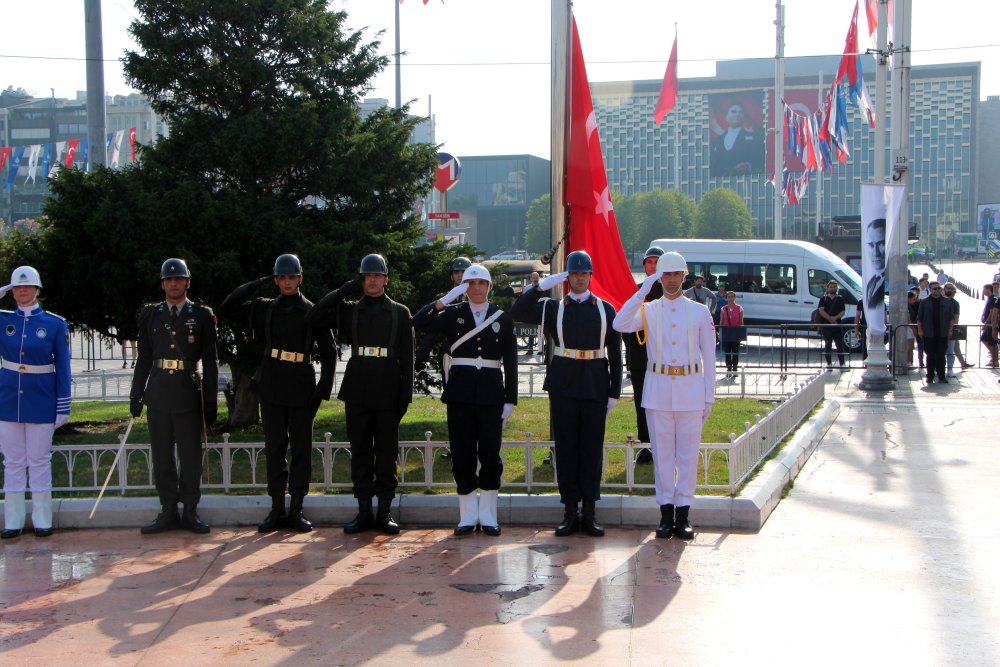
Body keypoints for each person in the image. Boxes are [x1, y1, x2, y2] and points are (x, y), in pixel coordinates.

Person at [217, 254, 336, 533]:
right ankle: (276, 509)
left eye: (291, 277)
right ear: (276, 280)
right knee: (274, 449)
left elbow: (329, 353)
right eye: (281, 277)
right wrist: (257, 283)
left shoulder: (312, 310)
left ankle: (296, 509)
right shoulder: (265, 308)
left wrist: (322, 392)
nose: (286, 282)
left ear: (300, 279)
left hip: (301, 387)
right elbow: (227, 308)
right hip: (271, 383)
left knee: (301, 450)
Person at [510, 250, 622, 537]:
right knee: (567, 448)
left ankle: (590, 512)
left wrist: (615, 391)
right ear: (567, 277)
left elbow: (615, 354)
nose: (579, 278)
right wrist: (541, 286)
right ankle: (570, 511)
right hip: (564, 385)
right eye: (574, 274)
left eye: (584, 274)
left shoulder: (606, 310)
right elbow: (518, 310)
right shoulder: (553, 308)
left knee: (591, 451)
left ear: (590, 276)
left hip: (596, 384)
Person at [306, 254, 413, 535]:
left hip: (389, 386)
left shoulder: (400, 312)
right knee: (361, 452)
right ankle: (364, 510)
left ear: (386, 279)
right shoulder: (350, 310)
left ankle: (385, 511)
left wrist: (405, 396)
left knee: (387, 452)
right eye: (367, 276)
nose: (373, 280)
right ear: (361, 280)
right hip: (358, 387)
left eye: (378, 275)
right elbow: (314, 315)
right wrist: (343, 291)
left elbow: (408, 358)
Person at [613, 251, 716, 541]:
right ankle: (665, 514)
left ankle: (683, 514)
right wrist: (643, 290)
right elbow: (620, 323)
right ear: (660, 277)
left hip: (691, 391)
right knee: (663, 457)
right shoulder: (649, 310)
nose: (671, 280)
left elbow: (709, 356)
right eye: (666, 275)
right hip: (658, 392)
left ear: (684, 276)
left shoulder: (699, 312)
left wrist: (709, 396)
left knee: (687, 456)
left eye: (676, 274)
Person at [411, 264, 517, 536]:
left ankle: (489, 515)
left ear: (489, 286)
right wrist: (445, 299)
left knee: (490, 455)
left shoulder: (501, 318)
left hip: (492, 395)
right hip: (460, 395)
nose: (477, 288)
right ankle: (468, 515)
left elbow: (511, 362)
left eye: (482, 283)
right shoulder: (452, 314)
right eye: (471, 283)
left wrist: (510, 400)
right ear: (464, 287)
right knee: (463, 454)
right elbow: (418, 321)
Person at [131, 258, 219, 534]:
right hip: (157, 393)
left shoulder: (202, 315)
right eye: (168, 280)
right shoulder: (152, 314)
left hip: (187, 392)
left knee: (191, 456)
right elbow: (144, 357)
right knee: (162, 456)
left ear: (187, 283)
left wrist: (210, 400)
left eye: (178, 279)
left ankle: (190, 511)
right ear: (162, 284)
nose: (173, 283)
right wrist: (136, 393)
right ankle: (168, 510)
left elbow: (211, 361)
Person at [0, 267, 71, 539]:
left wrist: (63, 404)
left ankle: (42, 519)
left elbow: (63, 369)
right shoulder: (3, 320)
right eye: (17, 287)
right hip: (7, 400)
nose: (23, 291)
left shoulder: (55, 324)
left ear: (38, 289)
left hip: (42, 399)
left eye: (28, 286)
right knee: (13, 462)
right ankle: (13, 521)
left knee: (39, 461)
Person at [415, 256, 470, 462]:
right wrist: (421, 355)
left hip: (474, 358)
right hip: (450, 356)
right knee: (453, 403)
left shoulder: (478, 296)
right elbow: (431, 331)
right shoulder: (445, 299)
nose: (460, 275)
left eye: (463, 272)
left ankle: (471, 447)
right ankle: (455, 447)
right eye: (456, 272)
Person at [623, 246, 664, 466]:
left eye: (657, 261)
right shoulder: (637, 291)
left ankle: (663, 444)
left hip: (663, 359)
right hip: (640, 358)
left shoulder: (671, 290)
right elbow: (624, 321)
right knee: (642, 403)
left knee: (663, 404)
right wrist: (630, 355)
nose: (653, 266)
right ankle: (646, 445)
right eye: (649, 262)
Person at [916, 281, 955, 384]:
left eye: (938, 288)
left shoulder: (947, 302)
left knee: (941, 356)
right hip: (929, 333)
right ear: (930, 290)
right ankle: (930, 376)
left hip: (942, 333)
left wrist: (950, 330)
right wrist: (920, 330)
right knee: (930, 355)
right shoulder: (924, 302)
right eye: (934, 288)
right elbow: (919, 318)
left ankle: (941, 377)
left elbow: (951, 318)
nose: (937, 290)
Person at [710, 102, 763, 176]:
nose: (737, 114)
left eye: (741, 112)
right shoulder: (717, 141)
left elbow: (760, 159)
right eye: (733, 112)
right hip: (721, 183)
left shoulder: (754, 138)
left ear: (744, 117)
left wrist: (748, 166)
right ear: (726, 117)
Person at [942, 283, 972, 376]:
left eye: (951, 289)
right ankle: (938, 369)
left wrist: (951, 328)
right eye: (947, 288)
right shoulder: (939, 301)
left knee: (951, 351)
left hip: (950, 330)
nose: (949, 290)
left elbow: (956, 318)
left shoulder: (955, 303)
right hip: (938, 330)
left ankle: (950, 369)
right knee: (939, 351)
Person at [817, 280, 847, 370]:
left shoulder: (840, 298)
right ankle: (829, 364)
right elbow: (821, 310)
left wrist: (835, 318)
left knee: (839, 345)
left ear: (836, 288)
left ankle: (842, 364)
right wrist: (830, 318)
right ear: (827, 288)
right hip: (827, 325)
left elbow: (843, 311)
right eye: (831, 287)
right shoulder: (823, 299)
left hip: (837, 325)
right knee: (828, 344)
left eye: (834, 287)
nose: (832, 288)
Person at [718, 290, 745, 379]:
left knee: (736, 351)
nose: (730, 298)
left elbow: (741, 322)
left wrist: (741, 333)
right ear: (726, 298)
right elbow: (721, 321)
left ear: (734, 297)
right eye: (729, 297)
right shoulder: (723, 309)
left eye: (732, 296)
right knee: (728, 352)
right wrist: (720, 332)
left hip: (736, 331)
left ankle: (735, 369)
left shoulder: (739, 308)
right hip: (727, 331)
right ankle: (729, 369)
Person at [864, 218, 887, 312]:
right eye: (871, 245)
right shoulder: (871, 282)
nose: (875, 253)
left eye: (881, 244)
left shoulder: (891, 281)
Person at [982, 284, 998, 368]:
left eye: (984, 289)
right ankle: (993, 358)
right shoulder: (989, 298)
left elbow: (992, 313)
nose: (983, 291)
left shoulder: (993, 299)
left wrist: (987, 323)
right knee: (984, 339)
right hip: (987, 323)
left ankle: (995, 360)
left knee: (992, 342)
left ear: (989, 289)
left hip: (990, 324)